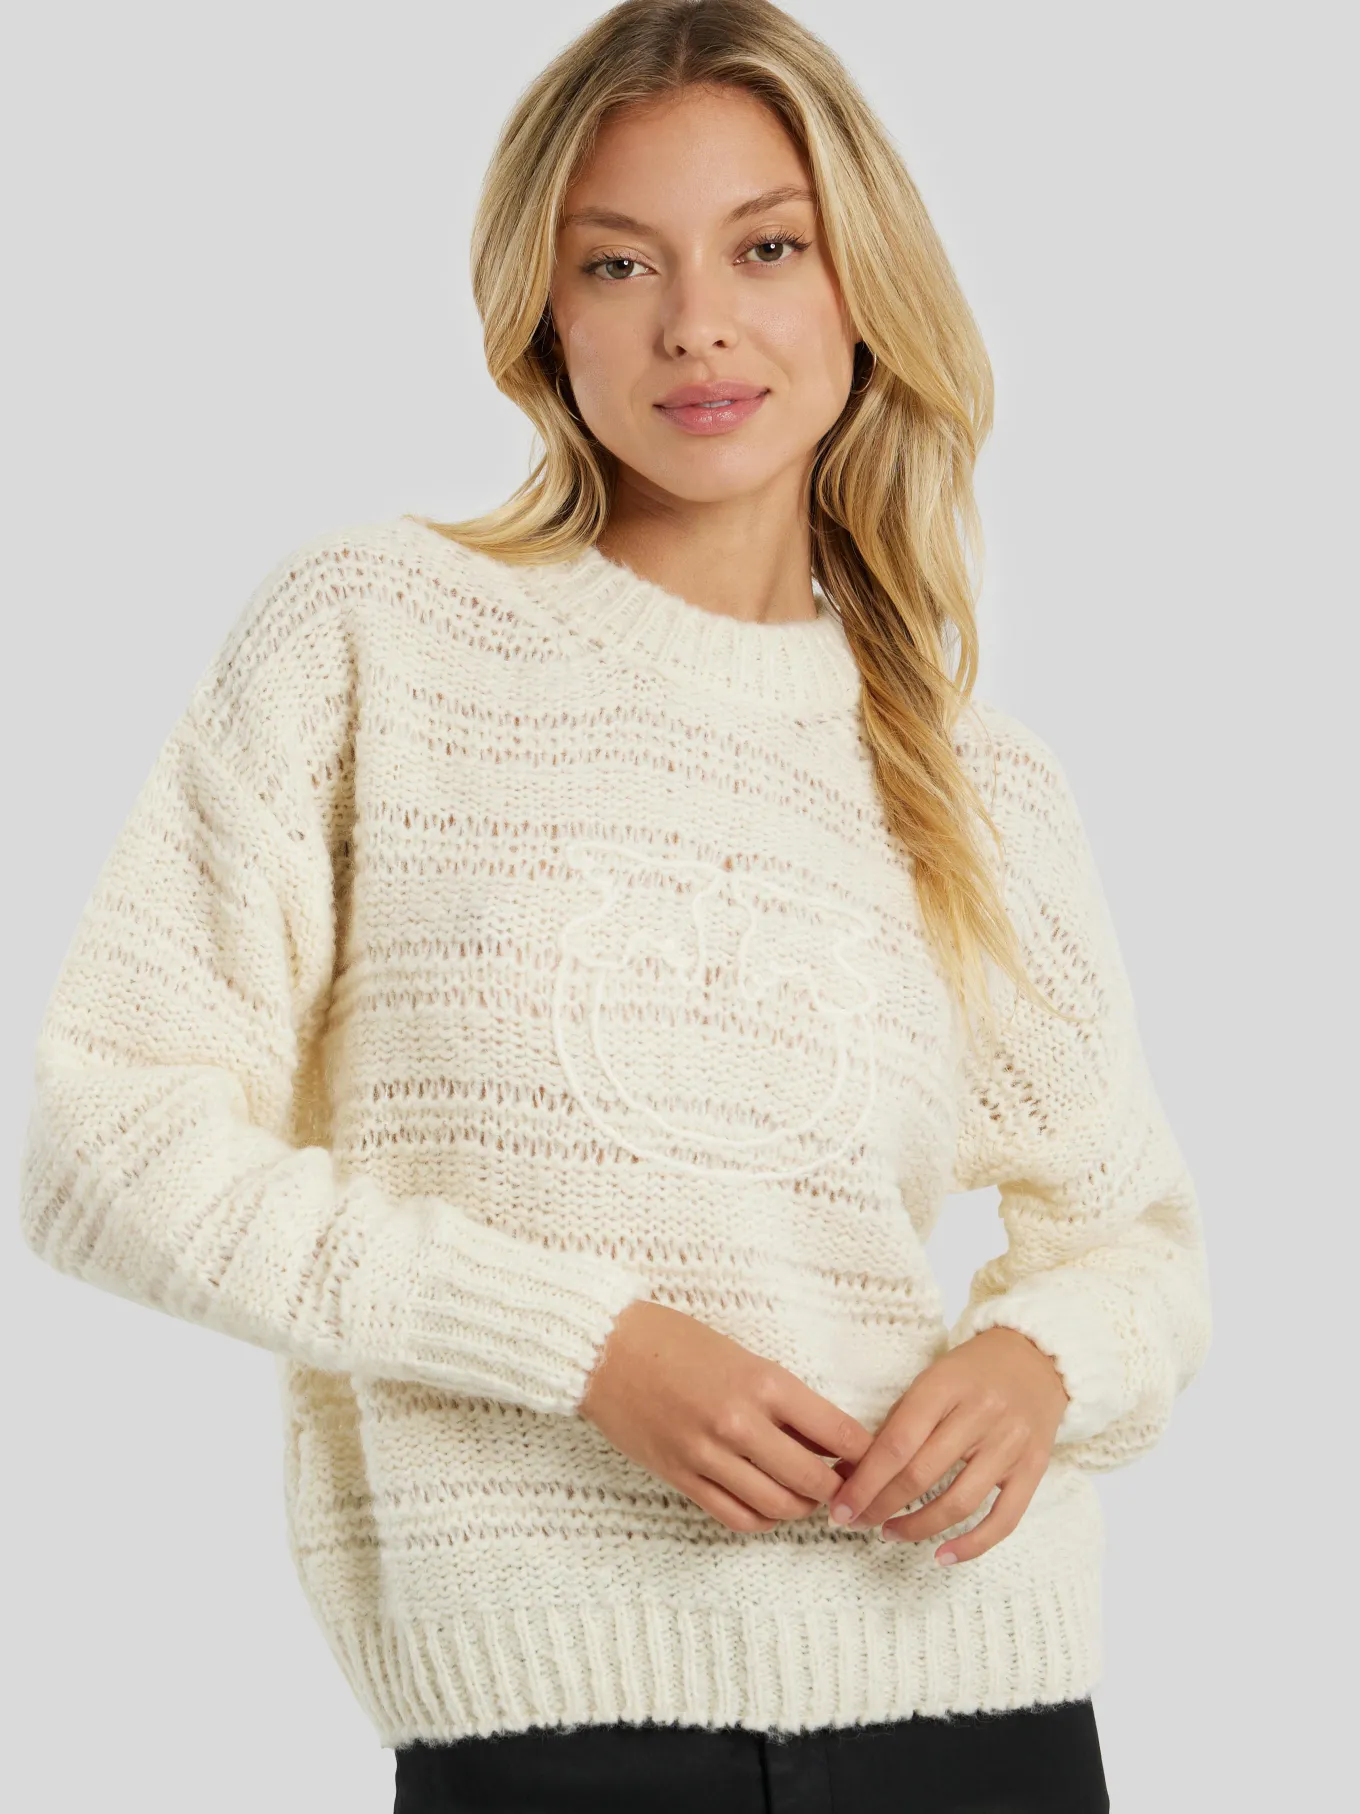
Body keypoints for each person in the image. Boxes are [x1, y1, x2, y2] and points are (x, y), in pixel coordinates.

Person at [17, 2, 1212, 1810]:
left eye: (767, 248)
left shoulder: (979, 779)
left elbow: (1137, 1241)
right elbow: (103, 1148)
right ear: (542, 318)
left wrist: (1041, 1358)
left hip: (978, 1703)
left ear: (862, 283)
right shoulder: (375, 639)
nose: (697, 323)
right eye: (620, 263)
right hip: (551, 1729)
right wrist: (586, 1347)